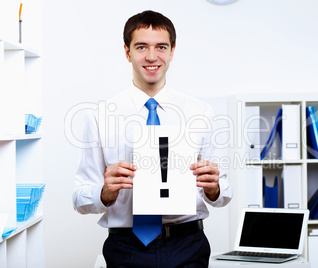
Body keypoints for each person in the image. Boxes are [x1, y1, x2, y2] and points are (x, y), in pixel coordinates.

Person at [72, 10, 232, 268]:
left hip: (188, 245)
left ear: (172, 51)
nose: (151, 56)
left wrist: (214, 187)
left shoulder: (201, 113)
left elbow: (223, 192)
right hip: (126, 248)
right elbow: (79, 198)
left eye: (161, 47)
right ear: (127, 52)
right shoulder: (99, 116)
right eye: (141, 47)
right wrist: (105, 192)